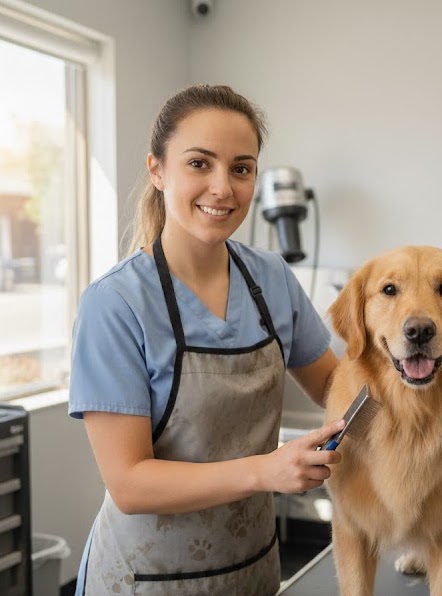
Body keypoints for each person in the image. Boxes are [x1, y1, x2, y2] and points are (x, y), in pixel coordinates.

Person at [69, 84, 344, 596]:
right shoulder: (116, 304)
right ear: (157, 170)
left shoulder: (272, 279)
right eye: (199, 163)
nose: (223, 187)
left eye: (241, 168)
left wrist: (410, 363)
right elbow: (129, 484)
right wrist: (267, 470)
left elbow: (337, 388)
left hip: (252, 568)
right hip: (147, 579)